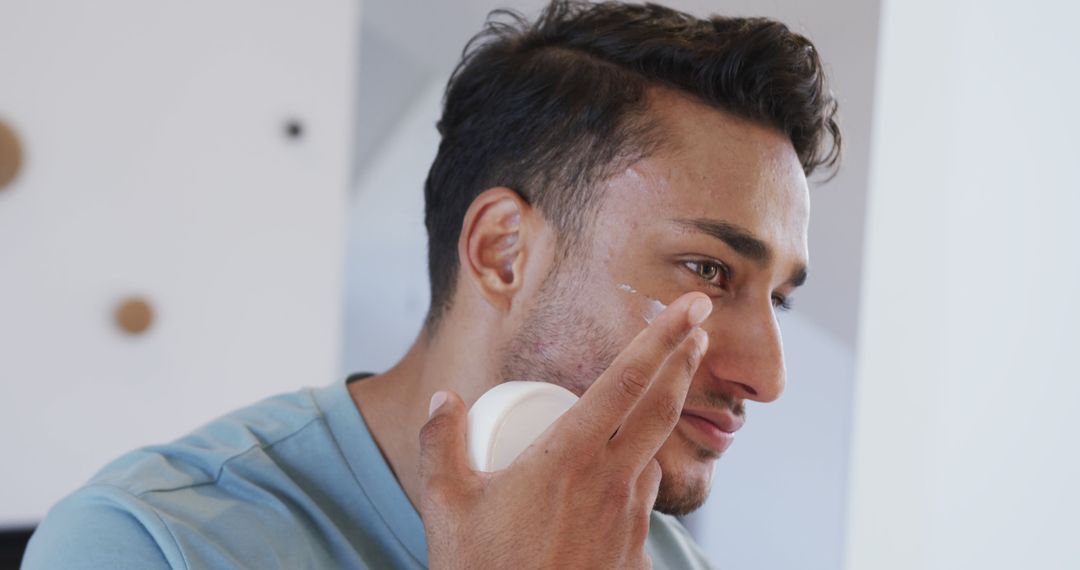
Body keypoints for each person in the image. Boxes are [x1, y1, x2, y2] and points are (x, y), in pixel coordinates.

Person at [23, 1, 840, 568]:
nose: (766, 376)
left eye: (780, 298)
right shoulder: (152, 545)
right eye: (708, 271)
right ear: (502, 251)